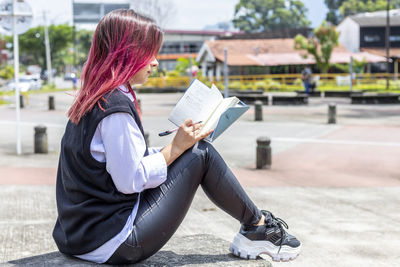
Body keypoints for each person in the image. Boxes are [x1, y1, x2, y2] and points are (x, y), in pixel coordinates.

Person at [52, 9, 301, 265]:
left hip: (79, 236)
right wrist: (176, 148)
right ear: (125, 53)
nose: (155, 62)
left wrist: (176, 146)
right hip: (113, 242)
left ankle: (255, 225)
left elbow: (115, 163)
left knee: (191, 150)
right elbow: (130, 180)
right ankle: (257, 227)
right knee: (200, 153)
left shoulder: (93, 98)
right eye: (149, 53)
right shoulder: (114, 108)